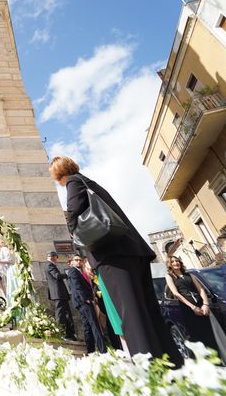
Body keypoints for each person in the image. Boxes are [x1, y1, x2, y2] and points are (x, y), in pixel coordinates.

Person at [50, 156, 183, 366]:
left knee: (130, 314)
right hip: (132, 251)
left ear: (58, 174)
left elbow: (74, 212)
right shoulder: (90, 182)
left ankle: (149, 370)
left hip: (112, 254)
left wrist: (72, 227)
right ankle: (171, 364)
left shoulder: (73, 182)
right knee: (148, 311)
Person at [165, 256, 219, 353]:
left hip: (201, 304)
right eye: (172, 262)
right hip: (187, 307)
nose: (175, 263)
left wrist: (205, 304)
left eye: (177, 261)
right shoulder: (169, 277)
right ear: (170, 264)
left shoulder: (189, 275)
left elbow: (201, 289)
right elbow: (176, 294)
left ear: (180, 262)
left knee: (209, 331)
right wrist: (193, 307)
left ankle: (216, 354)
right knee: (197, 333)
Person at [67, 254, 106, 354]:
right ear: (71, 262)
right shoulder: (73, 270)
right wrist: (86, 299)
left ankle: (91, 351)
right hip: (84, 302)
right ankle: (103, 351)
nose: (78, 261)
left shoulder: (80, 271)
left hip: (82, 302)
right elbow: (77, 286)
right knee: (95, 325)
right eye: (76, 260)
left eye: (80, 260)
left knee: (88, 327)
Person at [44, 251, 76, 341]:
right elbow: (57, 276)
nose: (57, 260)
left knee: (67, 314)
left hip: (60, 294)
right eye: (56, 258)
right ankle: (60, 333)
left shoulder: (50, 265)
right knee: (60, 314)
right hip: (58, 293)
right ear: (54, 257)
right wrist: (67, 274)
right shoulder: (49, 265)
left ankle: (70, 334)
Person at [0, 239, 19, 305]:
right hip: (8, 270)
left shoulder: (4, 249)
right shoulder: (2, 251)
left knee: (13, 286)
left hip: (11, 269)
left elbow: (8, 259)